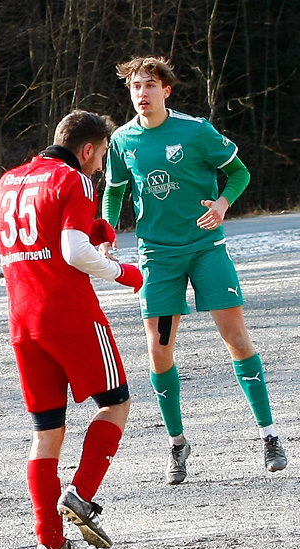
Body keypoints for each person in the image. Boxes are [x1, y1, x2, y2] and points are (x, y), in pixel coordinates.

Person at [102, 56, 286, 484]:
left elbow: (239, 172)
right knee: (158, 351)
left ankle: (269, 434)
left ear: (166, 90)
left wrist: (223, 204)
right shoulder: (123, 140)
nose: (141, 93)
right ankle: (177, 444)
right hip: (158, 258)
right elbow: (113, 194)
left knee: (237, 338)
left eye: (149, 85)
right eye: (134, 87)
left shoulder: (196, 131)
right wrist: (107, 230)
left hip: (206, 249)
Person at [0, 110, 143, 549]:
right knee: (116, 402)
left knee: (46, 432)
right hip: (70, 315)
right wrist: (124, 273)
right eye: (100, 158)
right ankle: (81, 494)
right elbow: (74, 251)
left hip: (23, 319)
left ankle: (51, 545)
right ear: (87, 149)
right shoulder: (74, 180)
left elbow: (35, 236)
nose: (99, 168)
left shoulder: (9, 180)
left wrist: (93, 225)